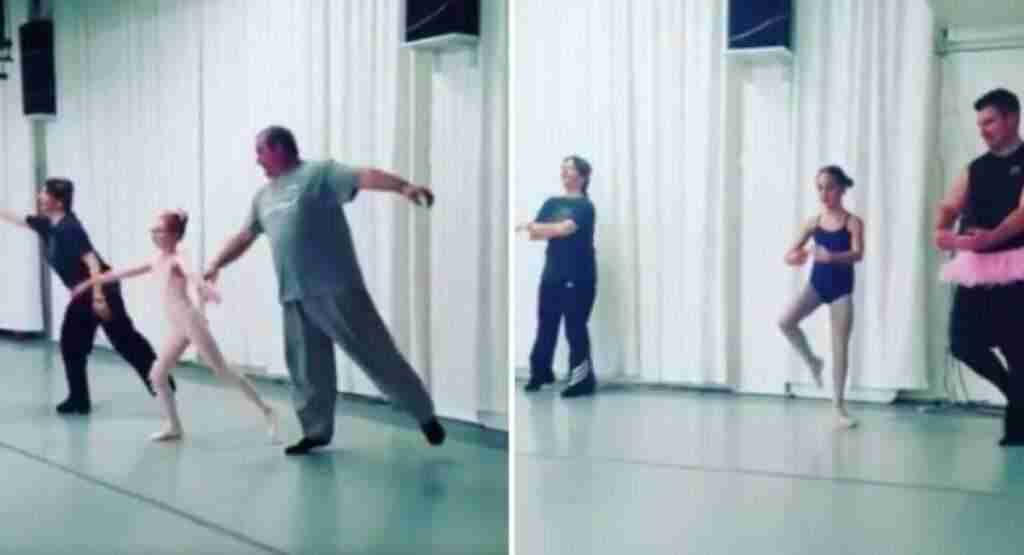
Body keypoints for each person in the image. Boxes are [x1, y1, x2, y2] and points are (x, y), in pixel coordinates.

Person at [203, 125, 445, 455]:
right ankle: (315, 431)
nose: (257, 159)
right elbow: (245, 236)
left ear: (278, 148)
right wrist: (217, 263)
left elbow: (363, 176)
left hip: (335, 287)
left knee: (377, 355)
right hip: (294, 294)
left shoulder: (317, 174)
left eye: (260, 151)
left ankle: (423, 413)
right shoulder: (263, 197)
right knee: (306, 369)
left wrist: (404, 187)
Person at [72, 210, 279, 443]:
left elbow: (192, 274)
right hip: (179, 326)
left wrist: (204, 288)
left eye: (159, 230)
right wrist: (90, 282)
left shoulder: (179, 257)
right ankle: (174, 426)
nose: (154, 234)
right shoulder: (157, 259)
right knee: (158, 374)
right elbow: (123, 272)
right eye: (153, 230)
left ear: (174, 235)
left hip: (190, 321)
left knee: (221, 369)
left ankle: (267, 411)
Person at [0, 178, 167, 414]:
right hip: (85, 292)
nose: (39, 197)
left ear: (58, 201)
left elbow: (93, 263)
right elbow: (16, 219)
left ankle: (160, 383)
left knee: (122, 340)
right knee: (77, 343)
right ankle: (80, 399)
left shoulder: (70, 228)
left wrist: (99, 298)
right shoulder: (48, 224)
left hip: (100, 289)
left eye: (44, 193)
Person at [936, 88, 1024, 446]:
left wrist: (991, 238)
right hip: (977, 266)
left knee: (1017, 349)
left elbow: (1022, 215)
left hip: (1016, 265)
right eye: (980, 124)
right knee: (962, 342)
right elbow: (949, 205)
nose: (983, 130)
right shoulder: (975, 168)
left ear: (1012, 118)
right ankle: (1018, 397)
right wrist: (941, 228)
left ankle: (1017, 428)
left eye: (989, 122)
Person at [778, 165, 864, 429]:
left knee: (840, 347)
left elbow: (858, 254)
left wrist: (832, 257)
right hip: (817, 286)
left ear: (841, 189)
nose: (824, 194)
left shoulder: (852, 222)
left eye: (829, 188)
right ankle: (813, 362)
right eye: (820, 188)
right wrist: (797, 257)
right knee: (785, 321)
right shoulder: (813, 223)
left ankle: (838, 407)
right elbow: (789, 254)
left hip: (841, 290)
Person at [516, 155, 598, 398]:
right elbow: (535, 235)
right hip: (552, 273)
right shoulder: (551, 203)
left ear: (582, 176)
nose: (564, 172)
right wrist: (544, 229)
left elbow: (565, 229)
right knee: (546, 325)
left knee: (575, 327)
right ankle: (540, 373)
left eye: (569, 169)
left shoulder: (585, 207)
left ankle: (582, 380)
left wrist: (539, 227)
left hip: (579, 276)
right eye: (563, 168)